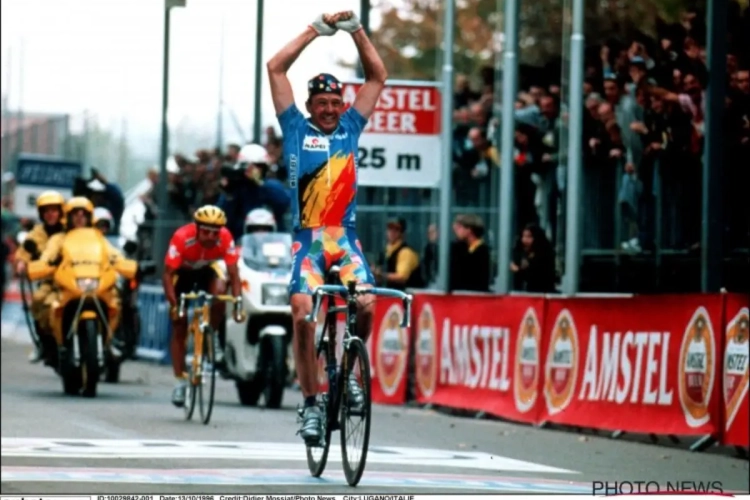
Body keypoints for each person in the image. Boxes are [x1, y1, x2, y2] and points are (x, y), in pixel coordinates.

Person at [267, 9, 387, 446]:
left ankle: (352, 371)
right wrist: (315, 31)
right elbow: (275, 67)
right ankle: (312, 403)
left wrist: (356, 30)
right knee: (302, 314)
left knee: (369, 305)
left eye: (338, 103)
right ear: (311, 106)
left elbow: (377, 76)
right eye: (324, 104)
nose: (333, 110)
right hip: (309, 241)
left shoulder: (352, 126)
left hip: (345, 238)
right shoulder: (295, 127)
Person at [161, 205, 243, 407]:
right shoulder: (182, 237)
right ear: (196, 228)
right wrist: (174, 304)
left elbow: (234, 274)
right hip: (183, 273)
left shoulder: (225, 238)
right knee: (179, 325)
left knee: (219, 294)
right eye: (205, 231)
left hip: (207, 271)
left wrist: (238, 304)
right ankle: (180, 381)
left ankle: (212, 334)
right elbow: (168, 275)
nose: (210, 236)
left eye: (215, 233)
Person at [13, 190, 66, 363]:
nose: (51, 214)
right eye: (47, 211)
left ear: (61, 211)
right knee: (38, 300)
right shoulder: (37, 233)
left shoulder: (70, 230)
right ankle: (43, 344)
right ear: (42, 214)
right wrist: (22, 263)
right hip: (49, 281)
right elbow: (24, 252)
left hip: (74, 280)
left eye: (54, 210)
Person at [218, 143, 291, 240]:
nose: (252, 170)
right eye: (248, 167)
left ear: (264, 168)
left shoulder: (272, 186)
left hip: (273, 241)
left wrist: (259, 182)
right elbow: (223, 219)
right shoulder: (236, 189)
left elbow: (284, 202)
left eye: (257, 166)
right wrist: (228, 193)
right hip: (242, 241)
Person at [374, 217, 422, 291]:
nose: (392, 232)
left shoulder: (406, 252)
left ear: (402, 233)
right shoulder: (386, 250)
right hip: (389, 295)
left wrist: (382, 275)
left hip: (406, 296)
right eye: (390, 228)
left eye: (396, 229)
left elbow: (402, 277)